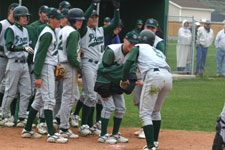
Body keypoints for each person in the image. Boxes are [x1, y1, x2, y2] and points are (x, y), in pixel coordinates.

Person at [21, 8, 68, 144]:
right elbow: (40, 56)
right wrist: (38, 76)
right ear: (51, 19)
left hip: (48, 67)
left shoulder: (51, 31)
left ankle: (28, 129)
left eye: (61, 18)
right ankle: (52, 134)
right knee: (49, 100)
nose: (60, 21)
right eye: (57, 19)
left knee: (40, 100)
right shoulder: (48, 33)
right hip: (45, 68)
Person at [121, 30, 173, 150]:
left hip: (154, 77)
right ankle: (154, 142)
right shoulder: (157, 51)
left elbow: (127, 64)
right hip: (168, 78)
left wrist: (124, 79)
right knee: (155, 111)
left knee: (145, 113)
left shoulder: (138, 46)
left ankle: (150, 147)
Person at [75, 0, 120, 136]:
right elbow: (84, 18)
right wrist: (93, 5)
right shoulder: (84, 30)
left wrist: (117, 11)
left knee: (97, 96)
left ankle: (89, 124)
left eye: (96, 17)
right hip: (88, 64)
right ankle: (83, 125)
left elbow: (115, 24)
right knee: (91, 95)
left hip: (98, 66)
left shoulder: (101, 30)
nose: (94, 19)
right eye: (92, 17)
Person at [95, 31, 138, 144]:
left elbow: (132, 72)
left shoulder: (132, 53)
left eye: (134, 44)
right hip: (103, 82)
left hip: (115, 83)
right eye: (130, 42)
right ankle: (103, 135)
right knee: (109, 107)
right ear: (124, 40)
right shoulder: (112, 51)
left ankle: (115, 133)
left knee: (121, 108)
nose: (132, 45)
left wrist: (118, 71)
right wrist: (121, 71)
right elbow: (103, 71)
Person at [0, 6, 33, 127]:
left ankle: (22, 117)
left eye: (27, 16)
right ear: (17, 17)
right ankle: (4, 116)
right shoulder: (11, 29)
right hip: (13, 63)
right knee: (10, 91)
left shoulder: (25, 30)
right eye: (24, 16)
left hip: (24, 64)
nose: (26, 18)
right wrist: (22, 48)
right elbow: (8, 46)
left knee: (27, 91)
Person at [56, 8, 85, 139]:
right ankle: (63, 127)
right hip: (69, 66)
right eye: (78, 20)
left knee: (65, 95)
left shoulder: (63, 29)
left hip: (61, 65)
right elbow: (72, 55)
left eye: (81, 20)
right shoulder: (73, 33)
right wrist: (80, 67)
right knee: (70, 97)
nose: (80, 22)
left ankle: (58, 119)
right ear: (73, 20)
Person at [0, 3, 19, 120]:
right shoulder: (2, 24)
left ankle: (9, 113)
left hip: (12, 60)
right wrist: (6, 48)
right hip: (1, 58)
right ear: (11, 10)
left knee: (10, 87)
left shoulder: (19, 27)